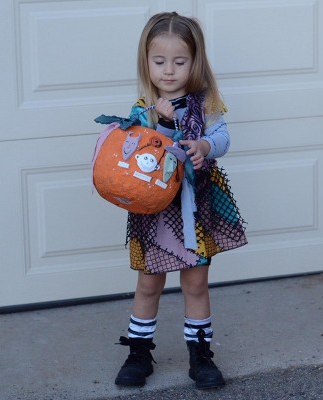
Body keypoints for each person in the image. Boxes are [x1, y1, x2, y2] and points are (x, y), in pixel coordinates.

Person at [114, 11, 247, 390]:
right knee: (149, 282)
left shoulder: (206, 104)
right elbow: (133, 148)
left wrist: (205, 145)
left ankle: (200, 355)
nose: (169, 71)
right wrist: (157, 122)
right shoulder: (143, 107)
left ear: (195, 62)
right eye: (159, 61)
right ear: (146, 62)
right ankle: (139, 352)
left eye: (179, 61)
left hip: (194, 206)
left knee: (196, 283)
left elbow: (222, 137)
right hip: (155, 210)